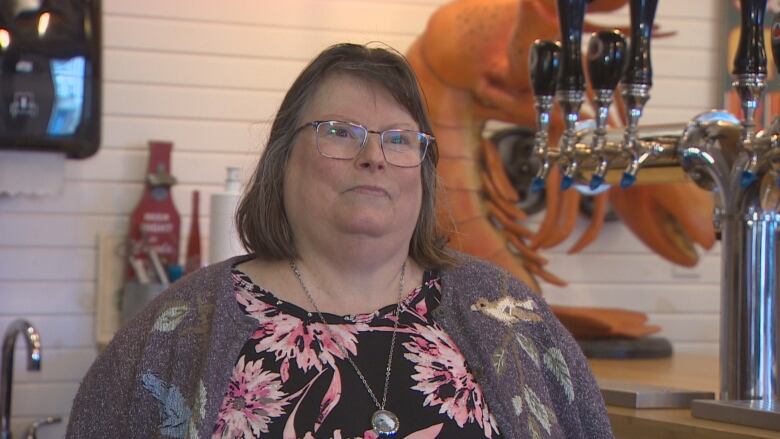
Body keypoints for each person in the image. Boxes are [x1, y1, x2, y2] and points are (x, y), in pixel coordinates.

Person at [66, 43, 612, 439]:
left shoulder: (509, 316)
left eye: (399, 140)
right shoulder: (176, 331)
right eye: (339, 132)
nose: (374, 155)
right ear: (282, 162)